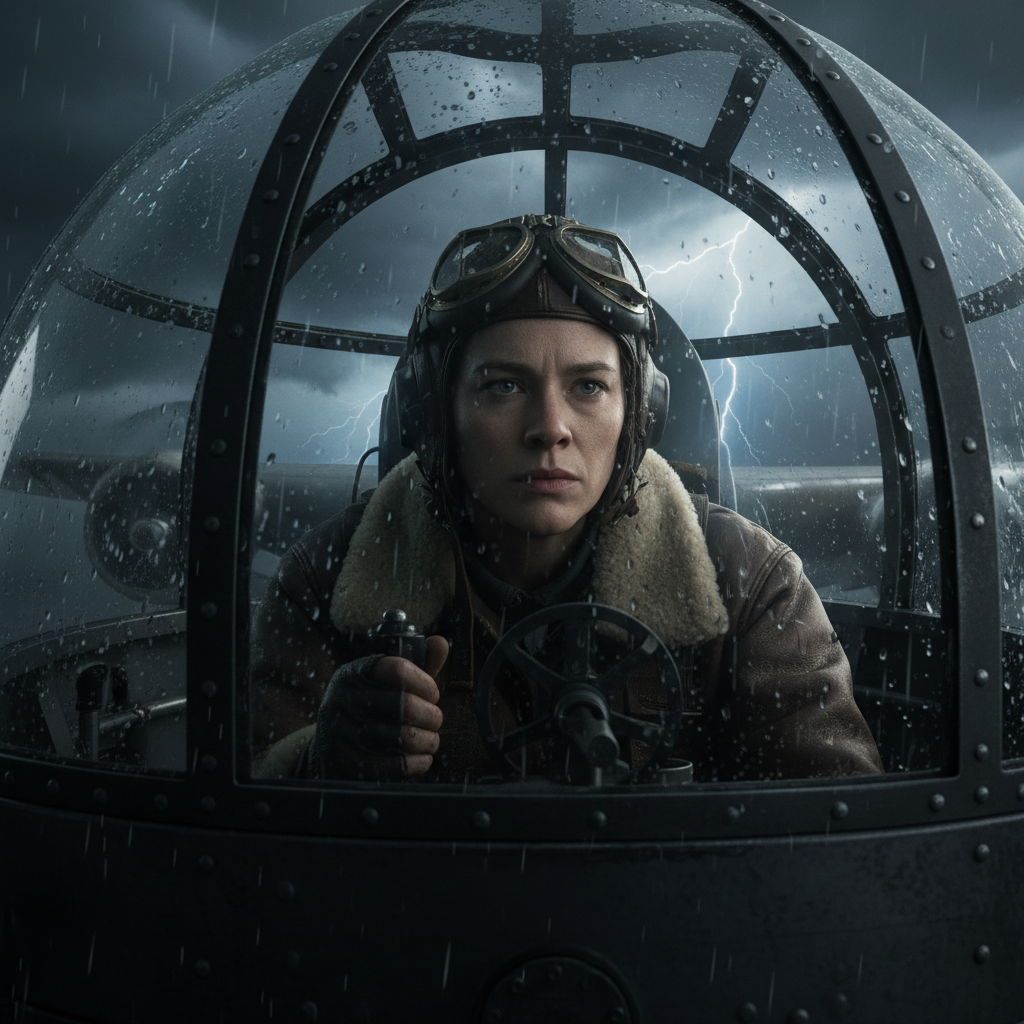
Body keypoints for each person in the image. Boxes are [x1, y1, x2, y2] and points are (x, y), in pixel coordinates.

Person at [251, 214, 883, 783]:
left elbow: (841, 833)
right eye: (502, 386)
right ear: (434, 415)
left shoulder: (749, 585)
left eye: (587, 386)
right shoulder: (324, 579)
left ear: (639, 412)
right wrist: (320, 761)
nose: (549, 427)